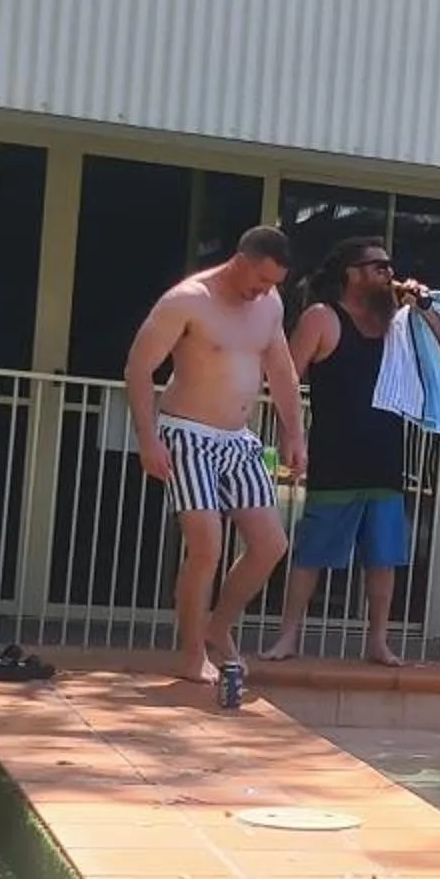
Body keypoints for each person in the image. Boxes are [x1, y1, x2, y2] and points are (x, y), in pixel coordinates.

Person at [262, 236, 440, 666]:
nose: (389, 273)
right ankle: (288, 636)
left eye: (390, 266)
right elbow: (285, 379)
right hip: (335, 456)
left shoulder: (398, 321)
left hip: (385, 457)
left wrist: (424, 307)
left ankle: (378, 641)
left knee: (383, 556)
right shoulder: (322, 318)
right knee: (312, 552)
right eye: (379, 266)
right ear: (351, 274)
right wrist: (290, 437)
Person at [124, 225, 306, 685]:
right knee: (206, 545)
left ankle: (218, 626)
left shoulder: (269, 305)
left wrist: (295, 433)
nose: (263, 290)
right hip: (186, 433)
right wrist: (148, 438)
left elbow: (281, 370)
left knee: (271, 544)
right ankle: (191, 656)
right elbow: (139, 368)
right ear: (240, 261)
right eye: (260, 279)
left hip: (238, 438)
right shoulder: (187, 301)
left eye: (273, 284)